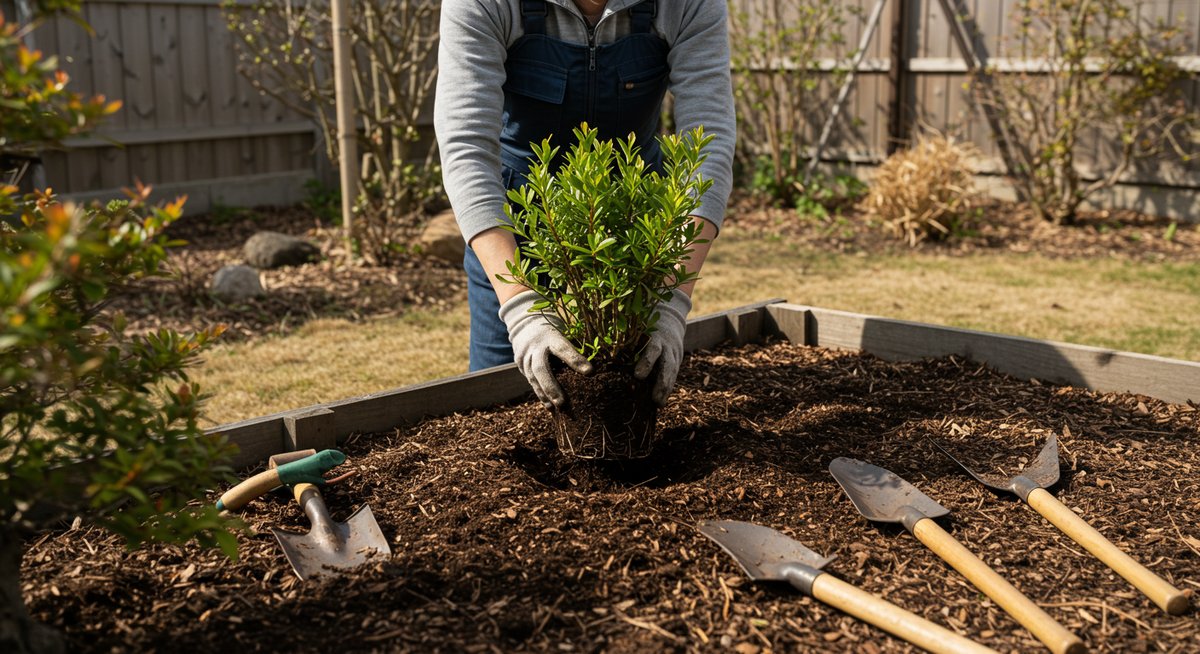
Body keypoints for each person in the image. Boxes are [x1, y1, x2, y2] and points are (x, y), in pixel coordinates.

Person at [434, 0, 735, 408]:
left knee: (629, 392)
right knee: (499, 404)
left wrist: (671, 299)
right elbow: (466, 145)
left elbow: (708, 142)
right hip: (516, 236)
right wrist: (521, 307)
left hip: (633, 240)